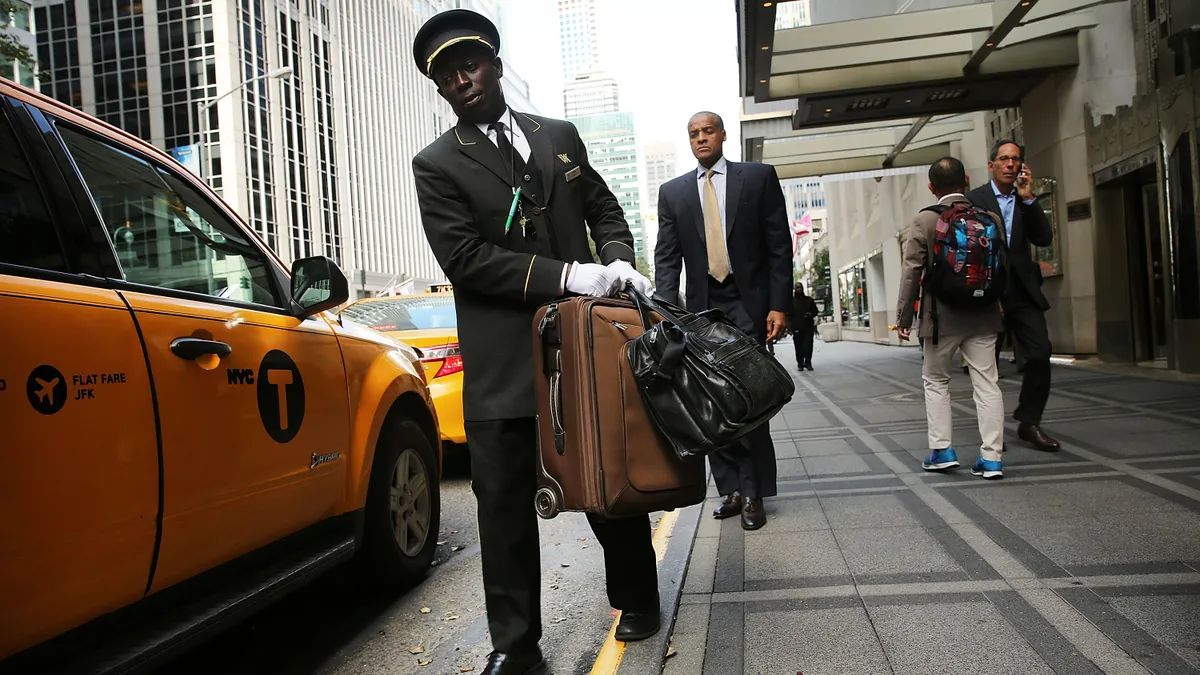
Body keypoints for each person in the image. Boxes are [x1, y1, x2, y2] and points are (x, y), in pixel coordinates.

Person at [410, 10, 659, 674]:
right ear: (439, 90)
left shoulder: (561, 135)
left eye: (469, 64)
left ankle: (638, 593)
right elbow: (466, 258)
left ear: (494, 63)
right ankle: (515, 646)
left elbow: (604, 207)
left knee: (606, 473)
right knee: (502, 509)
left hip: (583, 344)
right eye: (445, 75)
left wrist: (617, 255)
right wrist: (568, 273)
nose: (460, 80)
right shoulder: (435, 165)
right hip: (501, 363)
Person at [653, 111, 791, 530]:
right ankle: (729, 488)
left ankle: (753, 493)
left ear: (723, 134)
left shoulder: (758, 177)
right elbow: (666, 258)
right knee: (710, 401)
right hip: (701, 311)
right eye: (693, 134)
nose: (700, 139)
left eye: (707, 131)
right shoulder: (673, 192)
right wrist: (664, 312)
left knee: (748, 400)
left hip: (748, 306)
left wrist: (778, 304)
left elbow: (778, 246)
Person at [895, 156, 1006, 479]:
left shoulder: (925, 221)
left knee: (936, 381)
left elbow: (911, 272)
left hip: (940, 318)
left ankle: (943, 450)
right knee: (987, 384)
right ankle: (992, 458)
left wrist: (904, 316)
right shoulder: (989, 218)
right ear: (967, 180)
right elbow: (1003, 266)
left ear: (932, 187)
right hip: (984, 315)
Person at [967, 140, 1060, 452]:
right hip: (988, 292)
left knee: (1039, 352)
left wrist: (1029, 199)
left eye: (1016, 159)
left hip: (1022, 290)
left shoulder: (1025, 199)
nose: (1010, 164)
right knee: (985, 363)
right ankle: (992, 432)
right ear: (992, 165)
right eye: (1004, 159)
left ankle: (1029, 421)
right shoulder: (975, 199)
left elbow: (1043, 237)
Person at [789, 282, 818, 371]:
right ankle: (800, 364)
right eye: (797, 288)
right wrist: (790, 328)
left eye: (800, 287)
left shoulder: (809, 300)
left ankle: (808, 362)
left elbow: (815, 311)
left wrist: (810, 314)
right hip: (797, 328)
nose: (799, 289)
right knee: (798, 346)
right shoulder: (791, 302)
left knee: (808, 345)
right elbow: (788, 316)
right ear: (794, 289)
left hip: (808, 327)